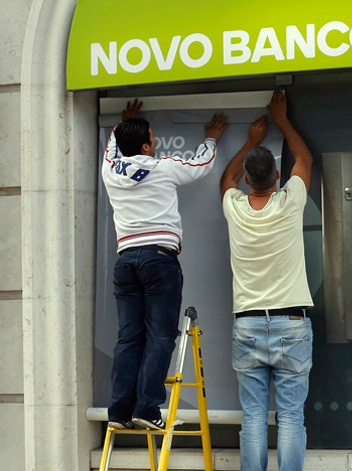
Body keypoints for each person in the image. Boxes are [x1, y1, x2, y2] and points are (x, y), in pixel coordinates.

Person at [102, 99, 229, 431]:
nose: (156, 140)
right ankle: (147, 409)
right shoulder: (164, 167)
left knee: (129, 338)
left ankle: (119, 412)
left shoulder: (110, 169)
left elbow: (113, 146)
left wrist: (125, 122)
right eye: (152, 137)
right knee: (160, 336)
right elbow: (201, 164)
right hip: (159, 260)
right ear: (146, 146)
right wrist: (212, 137)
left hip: (125, 261)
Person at [220, 90, 314, 471]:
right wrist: (282, 119)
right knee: (291, 416)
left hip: (248, 325)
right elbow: (305, 159)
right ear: (278, 176)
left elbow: (226, 178)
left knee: (254, 417)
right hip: (291, 323)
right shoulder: (290, 202)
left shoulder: (234, 208)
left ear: (247, 180)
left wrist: (250, 141)